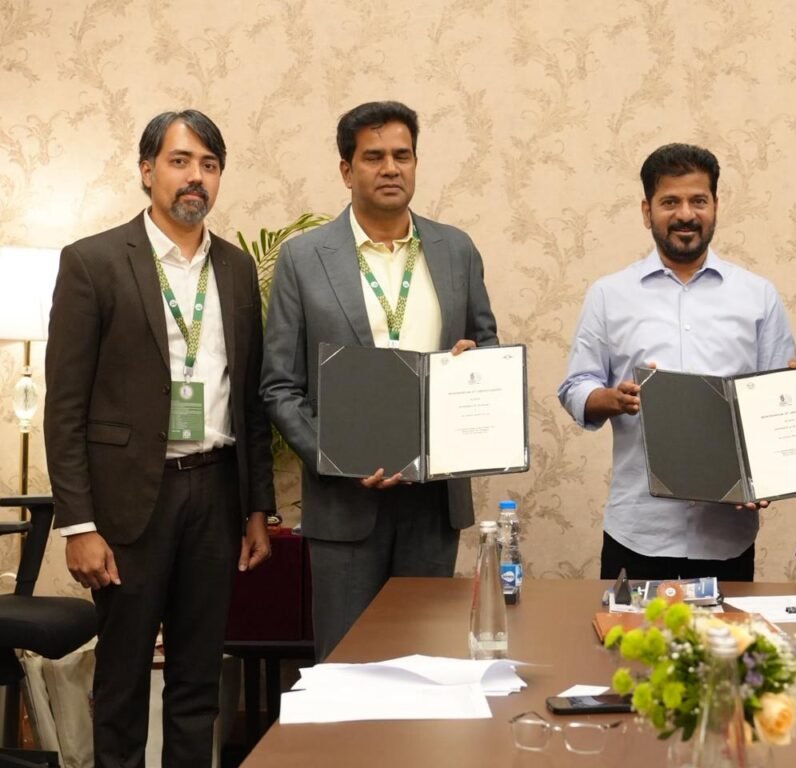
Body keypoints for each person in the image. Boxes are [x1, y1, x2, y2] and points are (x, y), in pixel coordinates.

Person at [43, 110, 275, 768]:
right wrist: (78, 525)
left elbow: (250, 397)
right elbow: (66, 406)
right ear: (147, 172)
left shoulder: (234, 268)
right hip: (128, 505)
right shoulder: (93, 262)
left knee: (199, 681)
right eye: (180, 161)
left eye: (209, 164)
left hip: (216, 494)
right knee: (121, 683)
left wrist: (257, 508)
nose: (195, 176)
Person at [261, 100, 498, 661]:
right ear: (347, 170)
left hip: (433, 500)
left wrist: (474, 365)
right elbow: (279, 386)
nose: (390, 168)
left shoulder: (456, 249)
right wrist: (337, 458)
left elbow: (487, 347)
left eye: (402, 155)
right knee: (348, 666)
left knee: (427, 661)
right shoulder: (304, 258)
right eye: (374, 157)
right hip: (346, 502)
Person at [557, 143, 796, 581]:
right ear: (647, 211)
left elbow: (777, 403)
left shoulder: (758, 296)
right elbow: (575, 387)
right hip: (637, 531)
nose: (686, 214)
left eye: (698, 201)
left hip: (727, 535)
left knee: (728, 631)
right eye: (670, 202)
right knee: (624, 631)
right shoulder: (609, 295)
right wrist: (611, 399)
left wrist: (773, 474)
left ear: (715, 206)